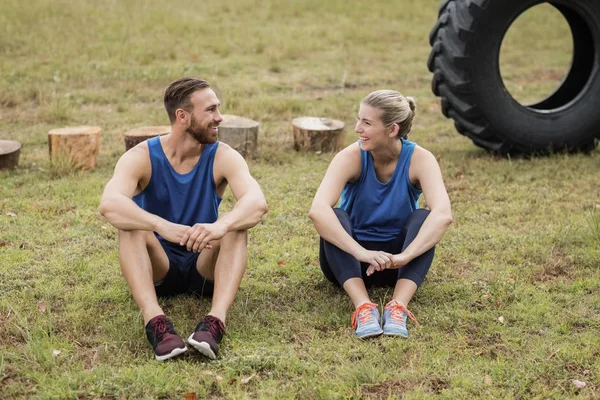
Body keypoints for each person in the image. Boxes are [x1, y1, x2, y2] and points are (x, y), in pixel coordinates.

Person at [99, 77, 268, 360]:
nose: (220, 117)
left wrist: (221, 225)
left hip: (204, 263)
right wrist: (161, 226)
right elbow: (109, 204)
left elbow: (256, 202)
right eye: (211, 110)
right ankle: (155, 322)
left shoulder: (223, 156)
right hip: (159, 266)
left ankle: (215, 322)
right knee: (130, 226)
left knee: (237, 226)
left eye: (218, 109)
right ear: (182, 116)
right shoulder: (141, 156)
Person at [308, 90, 452, 339]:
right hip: (349, 260)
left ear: (392, 129)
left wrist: (405, 256)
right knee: (336, 215)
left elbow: (443, 214)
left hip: (398, 264)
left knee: (423, 217)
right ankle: (363, 305)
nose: (357, 128)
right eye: (358, 120)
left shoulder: (420, 159)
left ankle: (398, 306)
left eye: (366, 123)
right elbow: (317, 210)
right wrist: (361, 252)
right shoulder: (352, 156)